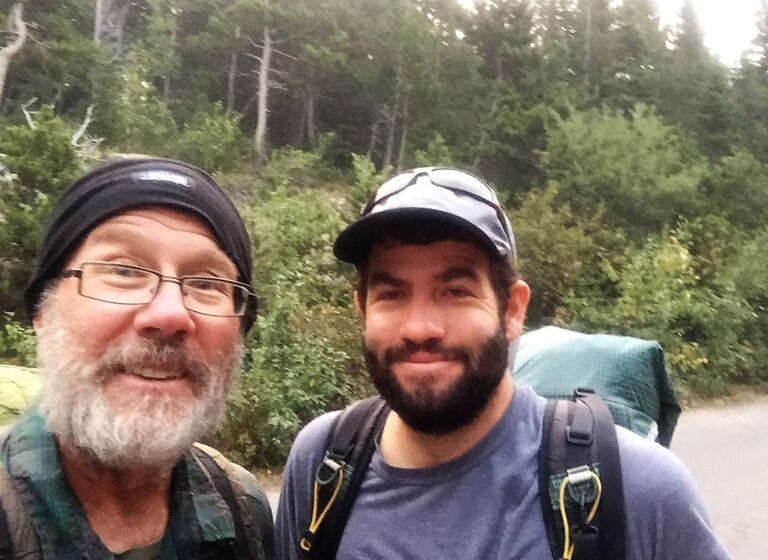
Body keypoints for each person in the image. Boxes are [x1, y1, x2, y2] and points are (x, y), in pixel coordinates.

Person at [275, 167, 731, 559]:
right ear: (362, 309)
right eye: (391, 294)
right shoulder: (322, 467)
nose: (419, 327)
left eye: (455, 291)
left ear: (512, 310)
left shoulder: (640, 490)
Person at [0, 158, 275, 559]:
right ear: (43, 312)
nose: (169, 315)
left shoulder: (242, 510)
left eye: (205, 283)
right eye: (124, 271)